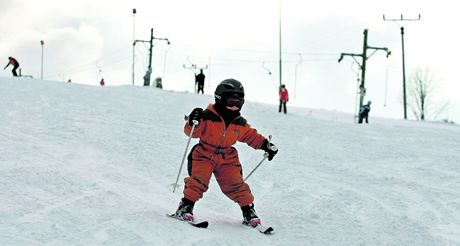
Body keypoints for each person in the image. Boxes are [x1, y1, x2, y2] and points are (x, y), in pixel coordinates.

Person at [174, 78, 279, 228]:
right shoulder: (207, 116)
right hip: (204, 154)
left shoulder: (239, 122)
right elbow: (191, 132)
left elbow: (250, 136)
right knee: (199, 180)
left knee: (236, 184)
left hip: (227, 157)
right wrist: (192, 121)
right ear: (220, 99)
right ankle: (185, 206)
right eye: (230, 102)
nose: (234, 107)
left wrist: (265, 145)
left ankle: (248, 211)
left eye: (239, 103)